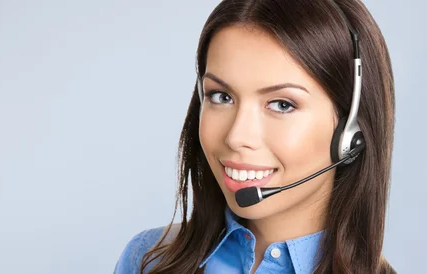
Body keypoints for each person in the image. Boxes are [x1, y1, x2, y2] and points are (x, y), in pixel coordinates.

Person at [114, 0, 397, 273]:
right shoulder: (148, 260)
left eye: (282, 104)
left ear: (350, 132)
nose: (236, 137)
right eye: (221, 96)